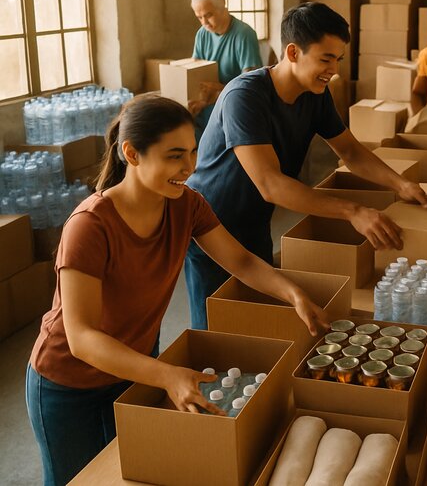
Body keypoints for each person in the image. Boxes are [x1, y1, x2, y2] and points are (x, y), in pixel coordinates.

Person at [25, 95, 326, 486]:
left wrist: (294, 294)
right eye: (173, 156)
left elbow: (242, 262)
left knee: (132, 473)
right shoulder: (90, 227)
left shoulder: (186, 206)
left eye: (193, 152)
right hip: (68, 384)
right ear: (131, 154)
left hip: (132, 370)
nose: (189, 167)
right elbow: (81, 337)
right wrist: (166, 375)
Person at [185, 2, 427, 330]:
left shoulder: (315, 95)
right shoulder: (245, 96)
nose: (334, 70)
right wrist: (353, 211)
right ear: (293, 52)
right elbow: (270, 184)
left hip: (255, 220)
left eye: (338, 59)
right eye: (325, 59)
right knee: (214, 327)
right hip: (210, 224)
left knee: (257, 319)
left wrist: (401, 185)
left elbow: (351, 152)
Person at [189, 0, 263, 131]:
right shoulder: (202, 34)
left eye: (208, 15)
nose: (204, 23)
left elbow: (251, 86)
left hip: (233, 106)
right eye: (199, 17)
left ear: (222, 3)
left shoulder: (244, 34)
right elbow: (194, 73)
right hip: (206, 105)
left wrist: (218, 91)